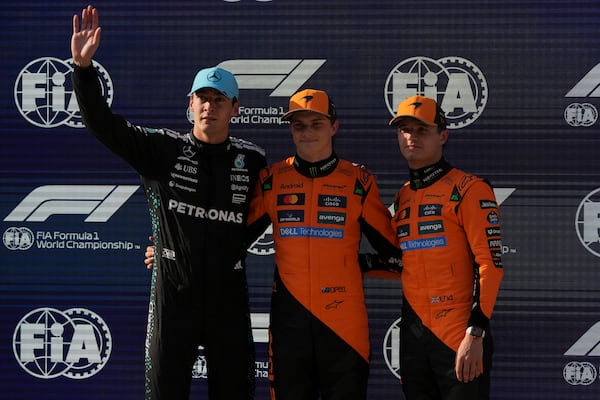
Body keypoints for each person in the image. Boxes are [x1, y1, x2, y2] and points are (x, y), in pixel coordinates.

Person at [71, 6, 267, 400]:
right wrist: (83, 68)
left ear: (236, 109)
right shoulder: (161, 148)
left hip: (228, 299)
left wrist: (227, 245)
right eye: (203, 98)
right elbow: (103, 125)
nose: (210, 106)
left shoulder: (254, 160)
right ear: (190, 105)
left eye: (220, 99)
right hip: (173, 297)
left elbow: (264, 215)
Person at [245, 89, 402, 400]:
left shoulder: (358, 181)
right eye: (299, 125)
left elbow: (396, 251)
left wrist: (363, 264)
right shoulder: (272, 180)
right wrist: (172, 250)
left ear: (334, 126)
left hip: (344, 326)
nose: (307, 132)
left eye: (316, 124)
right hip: (290, 325)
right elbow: (229, 239)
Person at [388, 95, 504, 399]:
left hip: (459, 336)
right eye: (404, 129)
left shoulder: (469, 188)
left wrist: (475, 334)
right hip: (414, 338)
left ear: (443, 135)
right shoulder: (402, 197)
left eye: (422, 129)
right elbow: (401, 261)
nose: (411, 137)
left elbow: (490, 264)